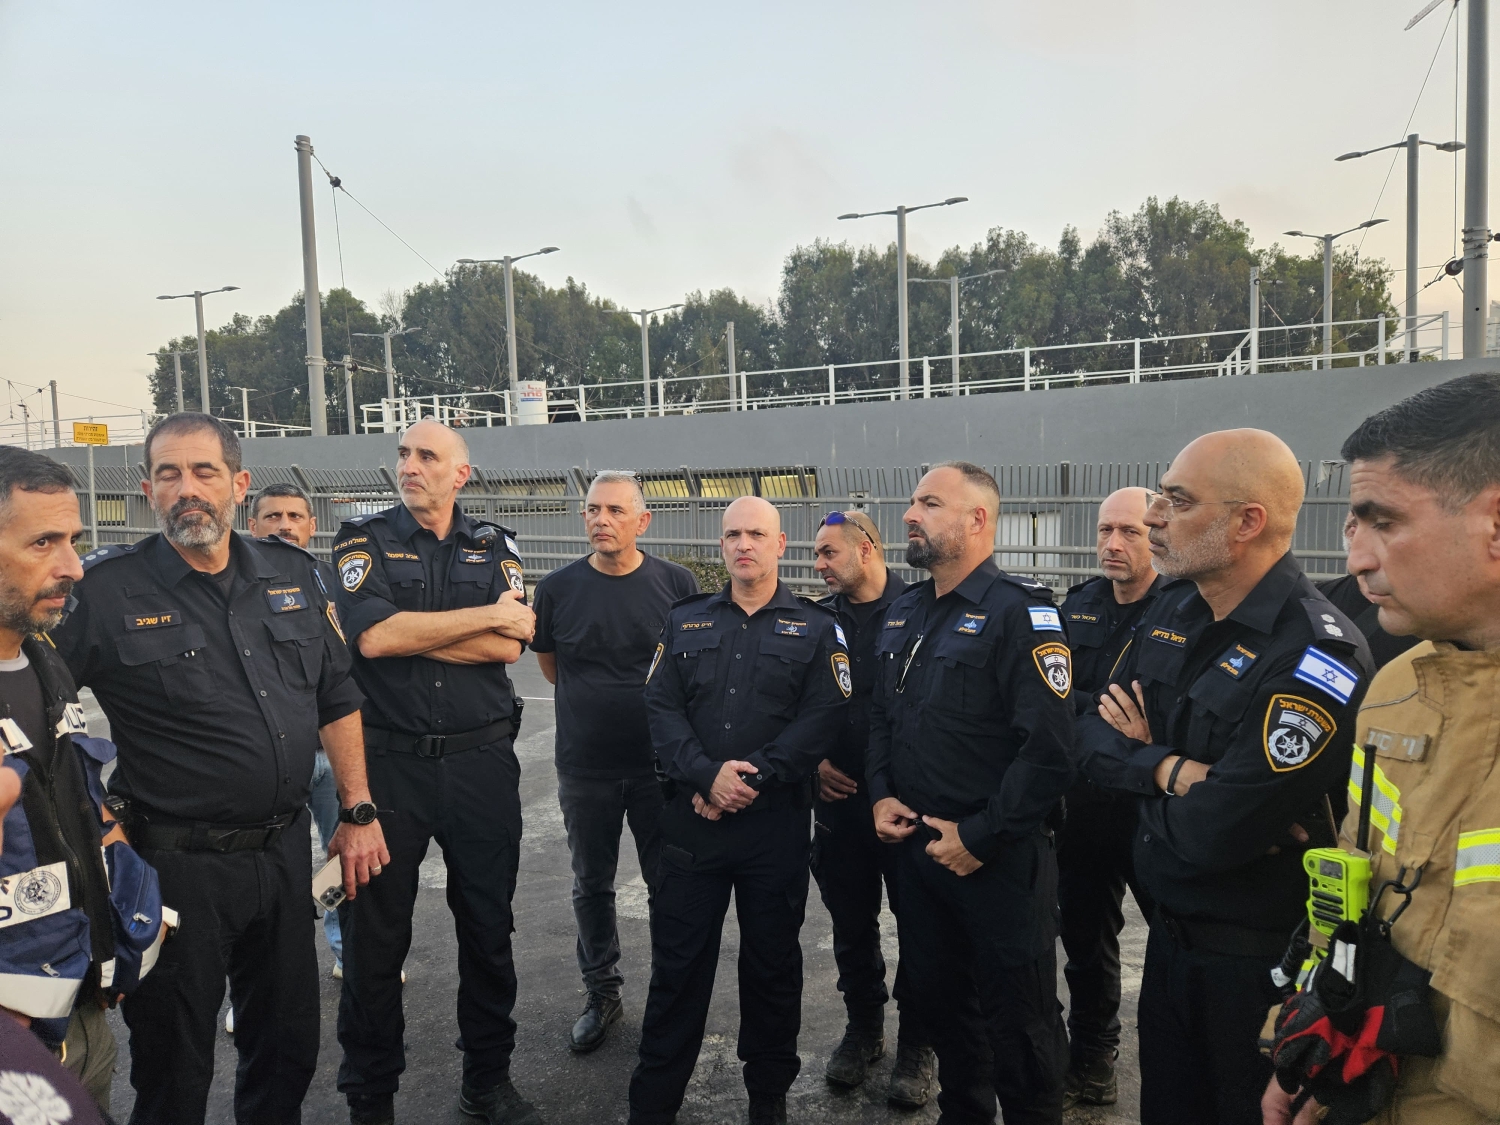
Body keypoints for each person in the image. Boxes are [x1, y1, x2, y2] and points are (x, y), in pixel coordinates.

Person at [52, 413, 388, 1125]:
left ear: (238, 483)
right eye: (168, 474)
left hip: (282, 856)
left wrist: (358, 808)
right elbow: (40, 714)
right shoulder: (106, 591)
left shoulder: (292, 573)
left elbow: (336, 694)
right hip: (176, 867)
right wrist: (99, 826)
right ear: (148, 488)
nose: (187, 489)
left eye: (204, 472)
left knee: (287, 1048)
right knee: (174, 1065)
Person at [1073, 429, 1372, 1125]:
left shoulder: (1315, 653)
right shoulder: (1174, 609)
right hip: (1168, 948)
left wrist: (1143, 760)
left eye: (1177, 501)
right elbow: (1087, 732)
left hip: (1258, 970)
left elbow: (1214, 833)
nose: (1154, 517)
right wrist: (1176, 770)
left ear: (1247, 522)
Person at [1262, 373, 1500, 1125]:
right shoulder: (1397, 687)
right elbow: (1353, 884)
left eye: (1384, 522)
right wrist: (1313, 1034)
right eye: (1351, 526)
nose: (1357, 559)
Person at [331, 419, 540, 1125]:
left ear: (461, 474)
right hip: (389, 768)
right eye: (403, 454)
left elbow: (511, 646)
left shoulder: (495, 543)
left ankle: (488, 1079)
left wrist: (411, 632)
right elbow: (372, 637)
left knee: (488, 928)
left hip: (482, 763)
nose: (409, 465)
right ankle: (371, 1097)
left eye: (426, 455)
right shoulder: (362, 539)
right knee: (374, 939)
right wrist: (478, 617)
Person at [866, 461, 1076, 1125]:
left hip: (998, 861)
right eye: (913, 501)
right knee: (946, 1014)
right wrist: (879, 794)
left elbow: (1049, 750)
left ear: (978, 519)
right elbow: (881, 717)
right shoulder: (905, 610)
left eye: (930, 503)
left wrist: (980, 837)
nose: (910, 514)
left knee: (1022, 1027)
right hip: (921, 857)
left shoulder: (1021, 613)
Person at [628, 496, 849, 1125]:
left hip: (772, 828)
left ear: (780, 545)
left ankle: (768, 1098)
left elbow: (823, 716)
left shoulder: (816, 628)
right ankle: (653, 1104)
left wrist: (748, 777)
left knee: (772, 967)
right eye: (732, 535)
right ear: (721, 545)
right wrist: (705, 775)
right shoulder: (686, 619)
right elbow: (660, 707)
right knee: (677, 969)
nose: (743, 544)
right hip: (692, 824)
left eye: (756, 533)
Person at [0, 446, 165, 1115]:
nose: (72, 566)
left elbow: (79, 802)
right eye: (44, 542)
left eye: (73, 540)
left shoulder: (44, 659)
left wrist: (125, 894)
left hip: (79, 1006)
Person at [529, 470, 698, 1053]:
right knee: (591, 884)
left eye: (615, 511)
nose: (601, 520)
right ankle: (602, 992)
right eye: (593, 510)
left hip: (660, 768)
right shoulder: (557, 589)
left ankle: (671, 998)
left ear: (642, 520)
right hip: (585, 766)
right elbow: (551, 666)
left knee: (667, 884)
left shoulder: (676, 583)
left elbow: (687, 669)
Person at [808, 509, 933, 1106]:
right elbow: (795, 702)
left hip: (907, 805)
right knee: (851, 923)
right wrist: (812, 765)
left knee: (921, 927)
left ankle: (918, 1043)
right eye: (816, 553)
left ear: (866, 549)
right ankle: (864, 1029)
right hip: (839, 803)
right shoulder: (817, 619)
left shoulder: (922, 611)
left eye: (828, 552)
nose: (819, 565)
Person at [1056, 486, 1164, 1108]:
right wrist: (1104, 711)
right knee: (1084, 936)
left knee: (1173, 938)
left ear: (1156, 538)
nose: (1113, 544)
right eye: (1105, 530)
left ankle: (1178, 1055)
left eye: (1130, 532)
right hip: (1085, 803)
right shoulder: (1080, 605)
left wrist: (1084, 710)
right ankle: (1094, 1050)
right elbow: (1052, 694)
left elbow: (1168, 712)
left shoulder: (1181, 612)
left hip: (1151, 805)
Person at [246, 482, 345, 981]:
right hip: (273, 760)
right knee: (267, 873)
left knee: (341, 859)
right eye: (272, 516)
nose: (284, 525)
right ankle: (264, 983)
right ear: (252, 526)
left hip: (332, 754)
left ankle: (346, 951)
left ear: (311, 526)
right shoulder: (234, 587)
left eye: (294, 516)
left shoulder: (332, 582)